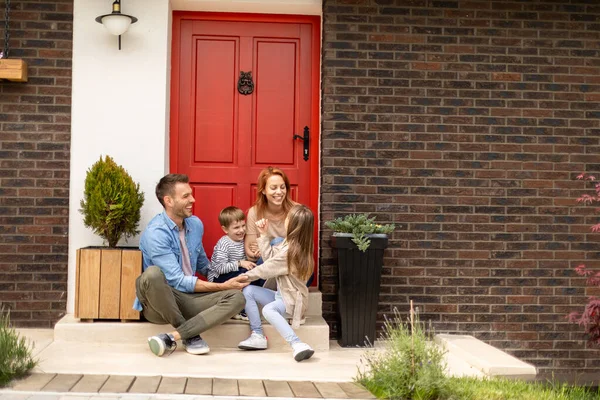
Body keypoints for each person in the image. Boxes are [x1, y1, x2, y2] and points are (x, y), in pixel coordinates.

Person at [135, 174, 248, 357]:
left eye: (191, 195)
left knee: (237, 298)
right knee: (152, 274)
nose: (193, 200)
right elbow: (177, 281)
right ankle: (191, 336)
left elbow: (203, 265)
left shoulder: (195, 225)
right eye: (186, 196)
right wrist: (222, 286)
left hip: (189, 299)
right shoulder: (156, 233)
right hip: (161, 303)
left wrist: (232, 277)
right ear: (169, 201)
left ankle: (172, 336)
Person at [237, 204, 315, 362]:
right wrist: (264, 235)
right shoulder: (290, 245)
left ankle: (297, 344)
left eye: (287, 218)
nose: (285, 220)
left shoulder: (292, 252)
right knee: (249, 291)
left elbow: (265, 269)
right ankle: (257, 334)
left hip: (291, 301)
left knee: (268, 310)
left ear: (292, 225)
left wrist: (241, 278)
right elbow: (270, 260)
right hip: (282, 296)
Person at [208, 206, 259, 321]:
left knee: (253, 273)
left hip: (236, 272)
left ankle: (244, 306)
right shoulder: (224, 243)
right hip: (219, 278)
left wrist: (254, 254)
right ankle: (239, 310)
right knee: (245, 275)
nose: (241, 230)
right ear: (225, 230)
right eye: (236, 227)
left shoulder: (243, 240)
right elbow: (219, 267)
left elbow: (247, 260)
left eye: (243, 226)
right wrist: (240, 263)